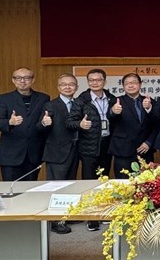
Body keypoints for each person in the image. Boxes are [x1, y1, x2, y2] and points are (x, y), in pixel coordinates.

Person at [68, 68, 119, 232]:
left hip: (107, 144)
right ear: (88, 82)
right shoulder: (81, 100)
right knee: (89, 182)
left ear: (105, 81)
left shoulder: (112, 99)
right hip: (88, 146)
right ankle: (91, 217)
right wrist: (80, 125)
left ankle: (103, 212)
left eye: (98, 80)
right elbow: (70, 122)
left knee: (104, 182)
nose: (95, 83)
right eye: (91, 80)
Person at [38, 73, 79, 235]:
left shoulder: (78, 104)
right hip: (56, 152)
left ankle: (67, 215)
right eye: (63, 84)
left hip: (75, 150)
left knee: (71, 184)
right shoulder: (51, 105)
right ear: (58, 87)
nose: (67, 87)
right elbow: (39, 127)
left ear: (76, 87)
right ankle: (55, 221)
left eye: (71, 84)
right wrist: (44, 123)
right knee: (57, 186)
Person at [0, 67, 50, 182]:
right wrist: (9, 122)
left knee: (30, 188)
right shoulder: (3, 99)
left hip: (33, 153)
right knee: (11, 189)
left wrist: (45, 123)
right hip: (11, 154)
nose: (22, 81)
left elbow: (42, 122)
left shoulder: (43, 98)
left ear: (32, 80)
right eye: (18, 78)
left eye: (26, 78)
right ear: (13, 80)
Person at [109, 73, 155, 179]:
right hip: (123, 151)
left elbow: (157, 124)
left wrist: (149, 142)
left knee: (146, 185)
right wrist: (113, 111)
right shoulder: (116, 101)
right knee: (123, 184)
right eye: (127, 83)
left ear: (140, 84)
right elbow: (109, 117)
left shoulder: (149, 101)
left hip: (145, 151)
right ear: (123, 86)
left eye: (134, 82)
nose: (130, 85)